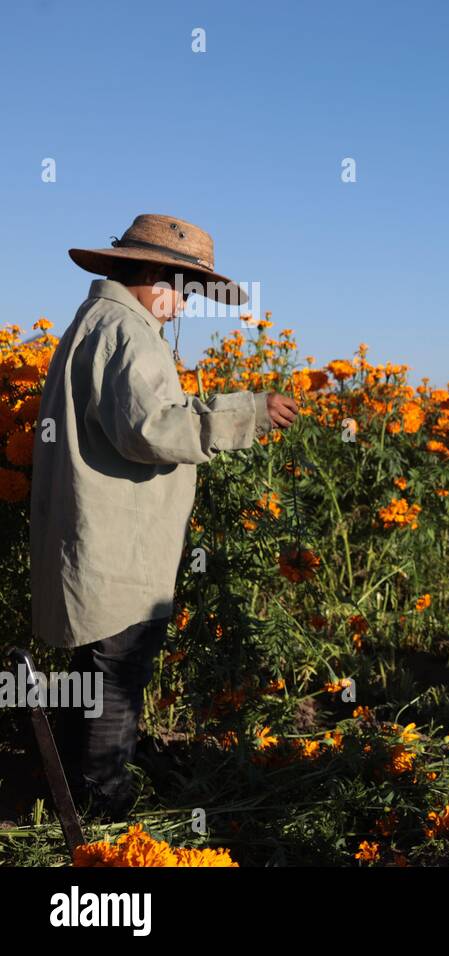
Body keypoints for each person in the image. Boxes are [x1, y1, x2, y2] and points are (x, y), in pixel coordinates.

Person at [30, 214, 300, 821]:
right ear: (153, 274)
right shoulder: (127, 329)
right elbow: (151, 428)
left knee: (92, 674)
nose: (182, 307)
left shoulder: (94, 321)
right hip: (116, 546)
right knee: (115, 683)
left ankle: (69, 795)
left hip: (94, 537)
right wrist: (247, 414)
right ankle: (103, 814)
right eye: (182, 290)